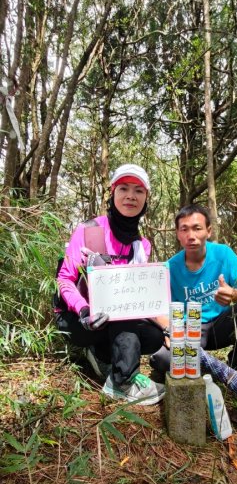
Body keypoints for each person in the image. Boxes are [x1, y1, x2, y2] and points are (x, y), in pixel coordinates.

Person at [54, 163, 167, 405]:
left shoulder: (141, 245)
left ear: (146, 198)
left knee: (153, 336)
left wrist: (168, 327)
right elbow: (64, 278)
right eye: (123, 188)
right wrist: (83, 309)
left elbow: (135, 296)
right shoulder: (88, 230)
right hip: (77, 318)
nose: (130, 196)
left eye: (138, 191)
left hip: (112, 318)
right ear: (113, 193)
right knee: (121, 311)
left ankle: (100, 354)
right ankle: (122, 382)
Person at [150, 203, 237, 375]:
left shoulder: (223, 254)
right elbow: (157, 308)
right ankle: (206, 370)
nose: (191, 236)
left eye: (197, 228)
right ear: (178, 234)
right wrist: (169, 329)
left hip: (221, 324)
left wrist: (235, 294)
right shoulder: (169, 268)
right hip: (190, 328)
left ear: (208, 231)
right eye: (184, 230)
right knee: (163, 361)